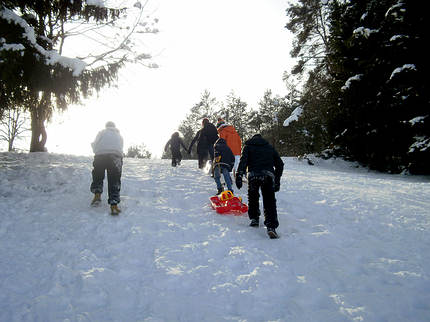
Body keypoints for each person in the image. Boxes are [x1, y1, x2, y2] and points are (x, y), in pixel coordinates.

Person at [235, 134, 284, 239]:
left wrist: (239, 175)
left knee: (253, 196)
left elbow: (243, 162)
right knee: (269, 201)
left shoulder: (248, 146)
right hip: (268, 176)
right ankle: (271, 227)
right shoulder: (269, 147)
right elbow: (280, 164)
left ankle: (254, 218)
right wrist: (277, 180)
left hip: (253, 175)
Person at [90, 121, 124, 214]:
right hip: (115, 156)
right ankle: (114, 204)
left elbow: (95, 143)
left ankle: (97, 195)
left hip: (100, 155)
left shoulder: (102, 132)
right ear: (114, 126)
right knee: (114, 179)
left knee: (98, 175)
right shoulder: (119, 135)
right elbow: (120, 147)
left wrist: (96, 150)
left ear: (106, 126)